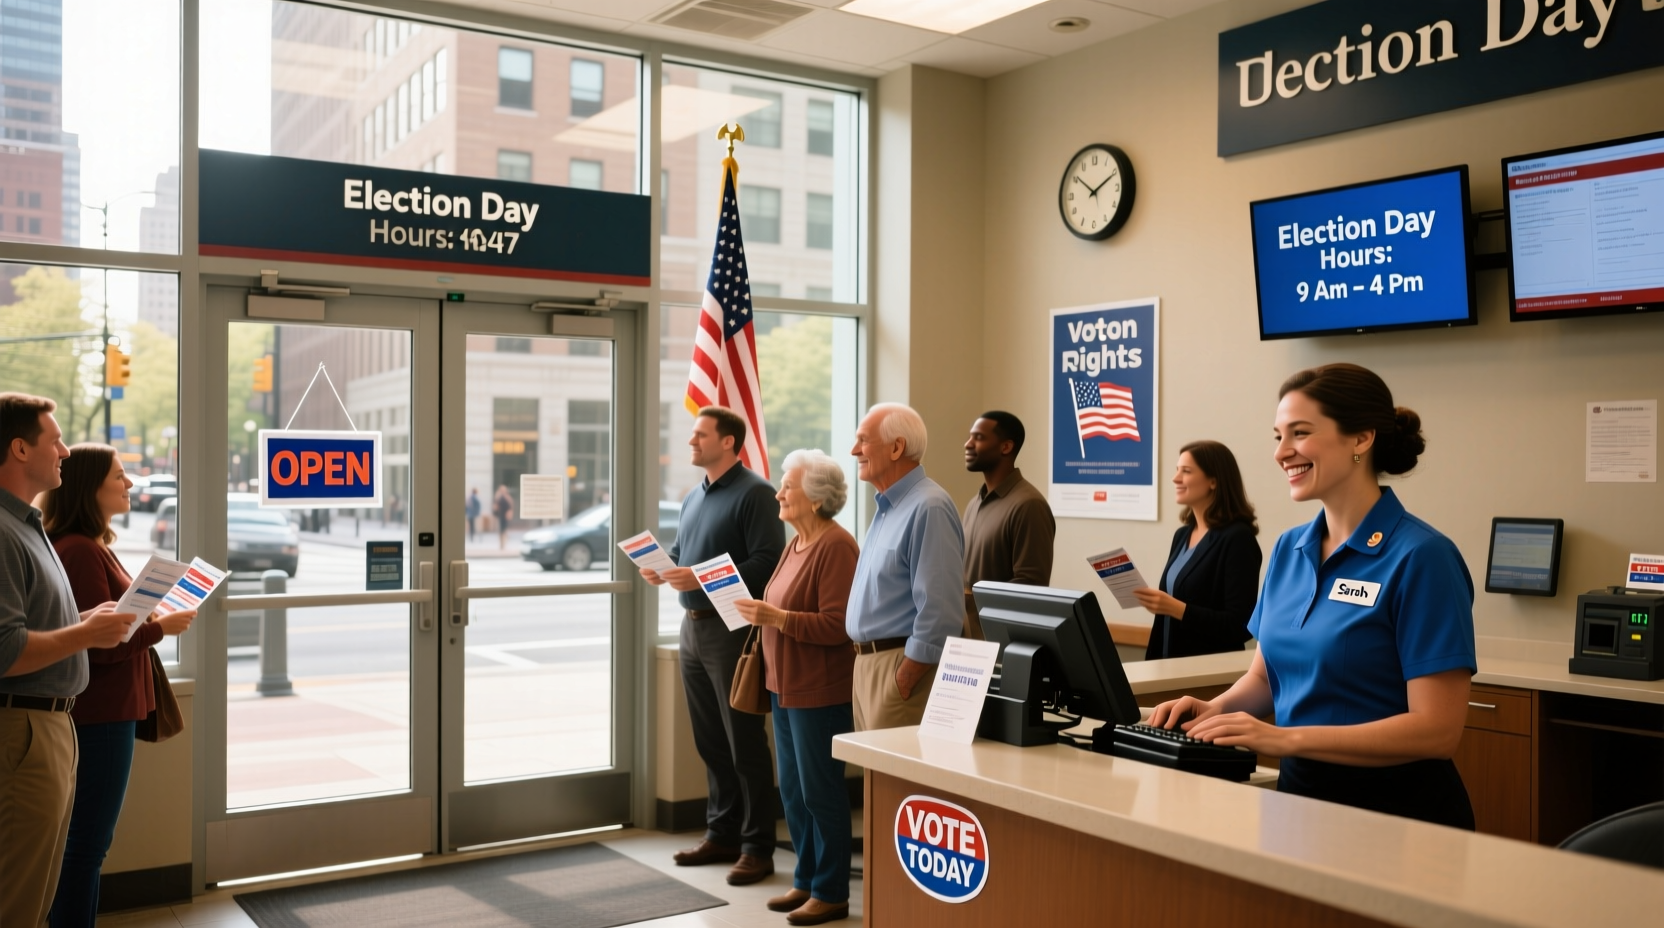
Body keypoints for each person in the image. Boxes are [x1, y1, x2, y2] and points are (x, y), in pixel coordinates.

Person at [1150, 364, 1478, 829]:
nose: (1281, 452)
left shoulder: (1422, 557)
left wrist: (1285, 738)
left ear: (1361, 438)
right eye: (1278, 436)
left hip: (1399, 817)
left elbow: (1437, 731)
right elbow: (1265, 677)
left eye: (1300, 433)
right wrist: (1216, 710)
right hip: (1299, 806)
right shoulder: (1289, 549)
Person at [41, 445, 196, 928]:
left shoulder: (86, 544)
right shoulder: (81, 550)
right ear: (90, 487)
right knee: (87, 846)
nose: (130, 484)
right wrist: (160, 629)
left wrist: (149, 615)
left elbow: (107, 627)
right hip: (102, 715)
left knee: (84, 844)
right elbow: (101, 646)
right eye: (119, 476)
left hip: (102, 712)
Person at [0, 394, 134, 928]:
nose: (64, 451)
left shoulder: (26, 524)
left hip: (50, 724)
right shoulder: (4, 531)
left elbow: (34, 624)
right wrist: (86, 632)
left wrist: (84, 620)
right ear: (18, 448)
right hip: (24, 728)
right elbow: (5, 648)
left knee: (39, 891)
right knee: (18, 899)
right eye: (54, 440)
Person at [641, 407, 785, 884]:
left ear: (728, 442)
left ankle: (757, 847)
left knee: (744, 742)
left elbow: (767, 563)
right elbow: (683, 553)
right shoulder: (693, 496)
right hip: (693, 629)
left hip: (733, 632)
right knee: (710, 740)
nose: (691, 441)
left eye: (700, 435)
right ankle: (722, 834)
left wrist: (698, 576)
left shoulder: (757, 493)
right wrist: (664, 567)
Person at [734, 450, 858, 927]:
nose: (779, 494)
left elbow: (838, 625)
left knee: (820, 794)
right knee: (794, 792)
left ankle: (830, 892)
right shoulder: (796, 543)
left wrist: (778, 618)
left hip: (818, 692)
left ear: (816, 498)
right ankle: (806, 879)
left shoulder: (837, 546)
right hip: (782, 688)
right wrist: (765, 613)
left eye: (788, 486)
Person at [845, 403, 964, 731]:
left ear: (897, 447)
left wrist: (905, 676)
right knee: (868, 767)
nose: (854, 450)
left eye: (863, 440)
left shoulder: (929, 507)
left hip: (900, 670)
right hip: (868, 669)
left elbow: (940, 611)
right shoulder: (888, 508)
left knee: (893, 768)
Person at [1135, 440, 1262, 660]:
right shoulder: (1182, 535)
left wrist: (1177, 609)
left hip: (1204, 671)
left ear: (1213, 481)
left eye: (1186, 471)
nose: (1175, 478)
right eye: (1177, 470)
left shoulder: (1238, 539)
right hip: (1164, 667)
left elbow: (1240, 625)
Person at [961, 411, 1054, 639]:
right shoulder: (974, 503)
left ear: (1006, 447)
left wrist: (971, 596)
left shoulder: (1029, 504)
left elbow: (1031, 585)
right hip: (966, 639)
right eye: (970, 437)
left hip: (1001, 642)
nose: (968, 444)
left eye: (979, 438)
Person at [492, 485, 513, 550]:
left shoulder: (505, 497)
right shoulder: (500, 497)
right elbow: (496, 507)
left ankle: (503, 544)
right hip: (501, 516)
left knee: (503, 530)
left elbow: (510, 507)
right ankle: (502, 544)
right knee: (502, 530)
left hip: (504, 516)